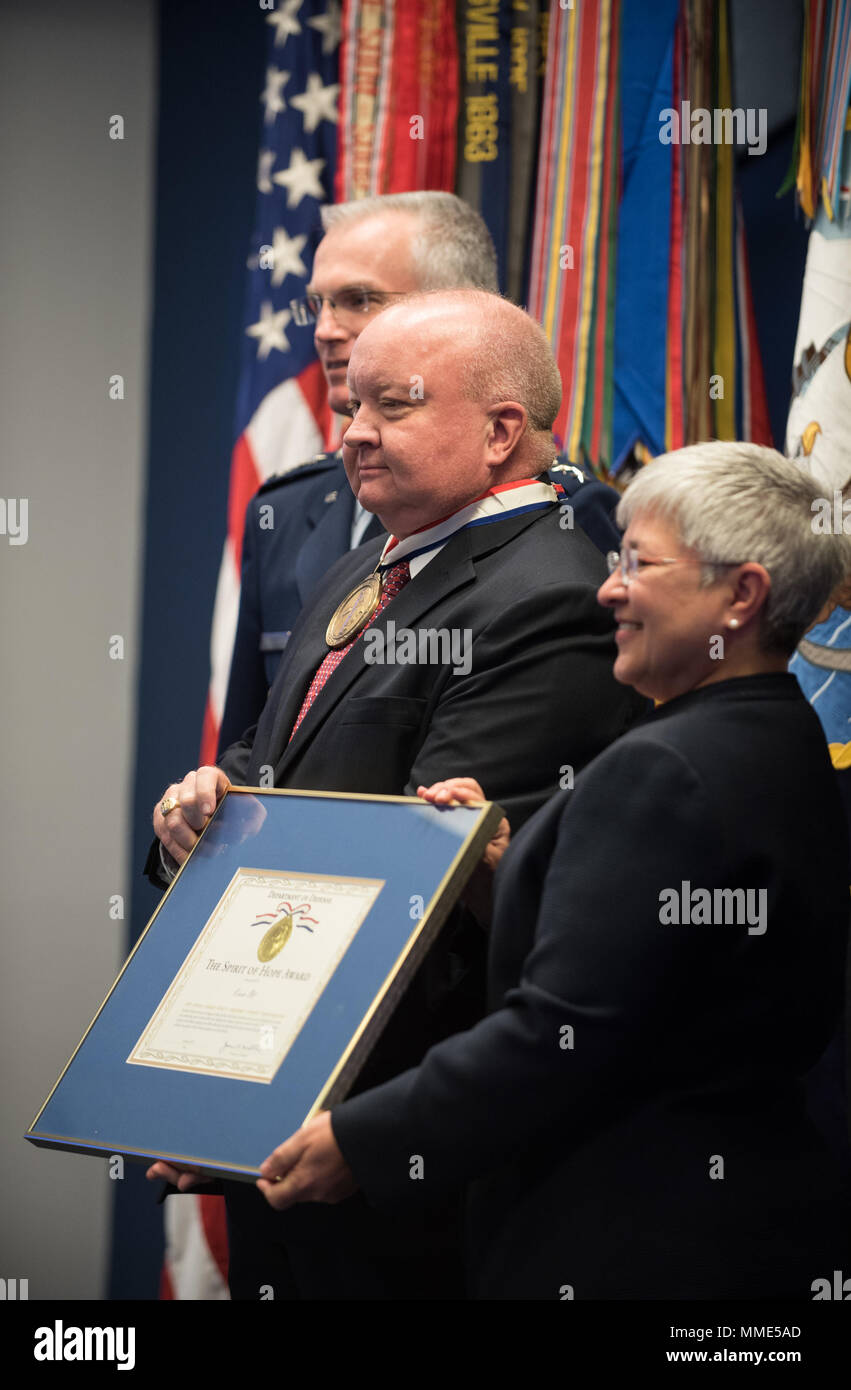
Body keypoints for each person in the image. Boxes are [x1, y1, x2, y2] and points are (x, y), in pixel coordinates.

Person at [251, 441, 851, 1301]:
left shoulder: (664, 769)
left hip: (629, 1237)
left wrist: (356, 1141)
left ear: (741, 595)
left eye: (638, 565)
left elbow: (559, 1035)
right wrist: (505, 876)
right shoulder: (780, 737)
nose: (607, 588)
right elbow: (661, 975)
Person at [146, 289, 647, 1299]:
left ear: (503, 430)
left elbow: (425, 888)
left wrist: (264, 1100)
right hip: (288, 1135)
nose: (357, 434)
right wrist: (196, 815)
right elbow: (260, 767)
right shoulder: (365, 567)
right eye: (351, 408)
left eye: (394, 405)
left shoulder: (546, 594)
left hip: (392, 1169)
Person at [218, 191, 622, 749]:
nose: (325, 330)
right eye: (319, 305)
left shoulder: (562, 515)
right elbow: (254, 742)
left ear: (452, 307)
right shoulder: (284, 511)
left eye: (358, 300)